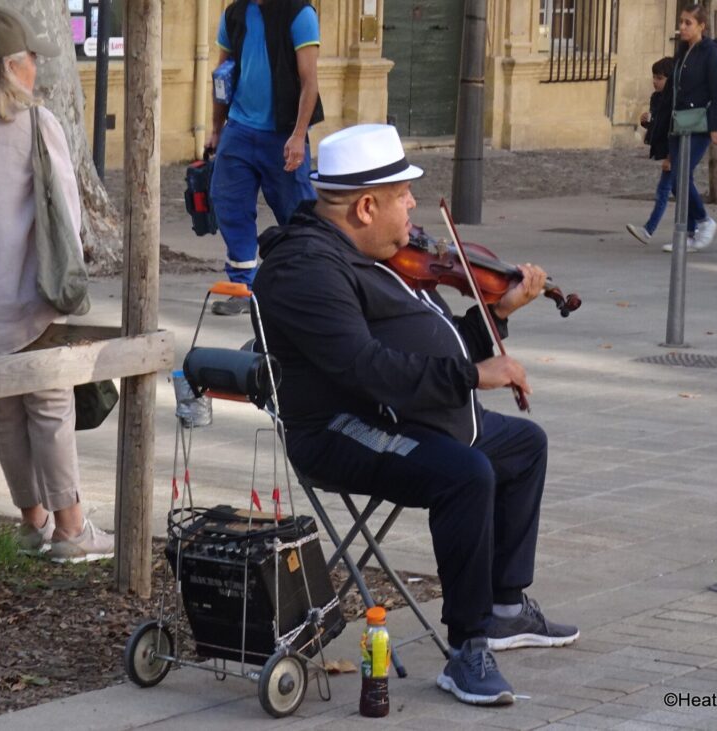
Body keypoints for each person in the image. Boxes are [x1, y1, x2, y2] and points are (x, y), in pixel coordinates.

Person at [253, 124, 578, 707]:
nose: (413, 207)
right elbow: (367, 368)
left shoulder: (372, 255)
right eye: (403, 195)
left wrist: (497, 313)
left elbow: (436, 343)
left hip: (397, 412)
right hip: (339, 427)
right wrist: (474, 376)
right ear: (366, 206)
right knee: (465, 473)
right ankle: (468, 646)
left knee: (523, 446)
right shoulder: (306, 270)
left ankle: (505, 608)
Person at [0, 4, 113, 563]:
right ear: (12, 66)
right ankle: (71, 527)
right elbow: (65, 212)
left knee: (4, 410)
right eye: (33, 58)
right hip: (21, 294)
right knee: (49, 404)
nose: (38, 67)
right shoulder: (35, 123)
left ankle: (31, 522)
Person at [207, 0, 323, 316]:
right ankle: (244, 288)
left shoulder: (300, 13)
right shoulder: (234, 14)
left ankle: (313, 284)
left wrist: (299, 135)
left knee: (297, 213)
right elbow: (222, 75)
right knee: (229, 203)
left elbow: (309, 81)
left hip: (282, 133)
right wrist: (216, 128)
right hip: (239, 130)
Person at [661, 3, 717, 253]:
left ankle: (704, 221)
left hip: (700, 123)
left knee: (680, 175)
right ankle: (689, 233)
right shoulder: (682, 51)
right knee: (678, 179)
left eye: (688, 23)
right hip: (679, 122)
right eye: (681, 21)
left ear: (702, 26)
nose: (682, 27)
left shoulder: (710, 53)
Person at [626, 57, 676, 246]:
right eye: (654, 77)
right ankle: (697, 225)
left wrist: (671, 156)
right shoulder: (656, 98)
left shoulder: (674, 100)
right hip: (666, 150)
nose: (655, 81)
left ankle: (649, 229)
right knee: (682, 190)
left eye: (660, 78)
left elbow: (672, 128)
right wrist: (646, 121)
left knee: (664, 190)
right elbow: (658, 124)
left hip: (674, 152)